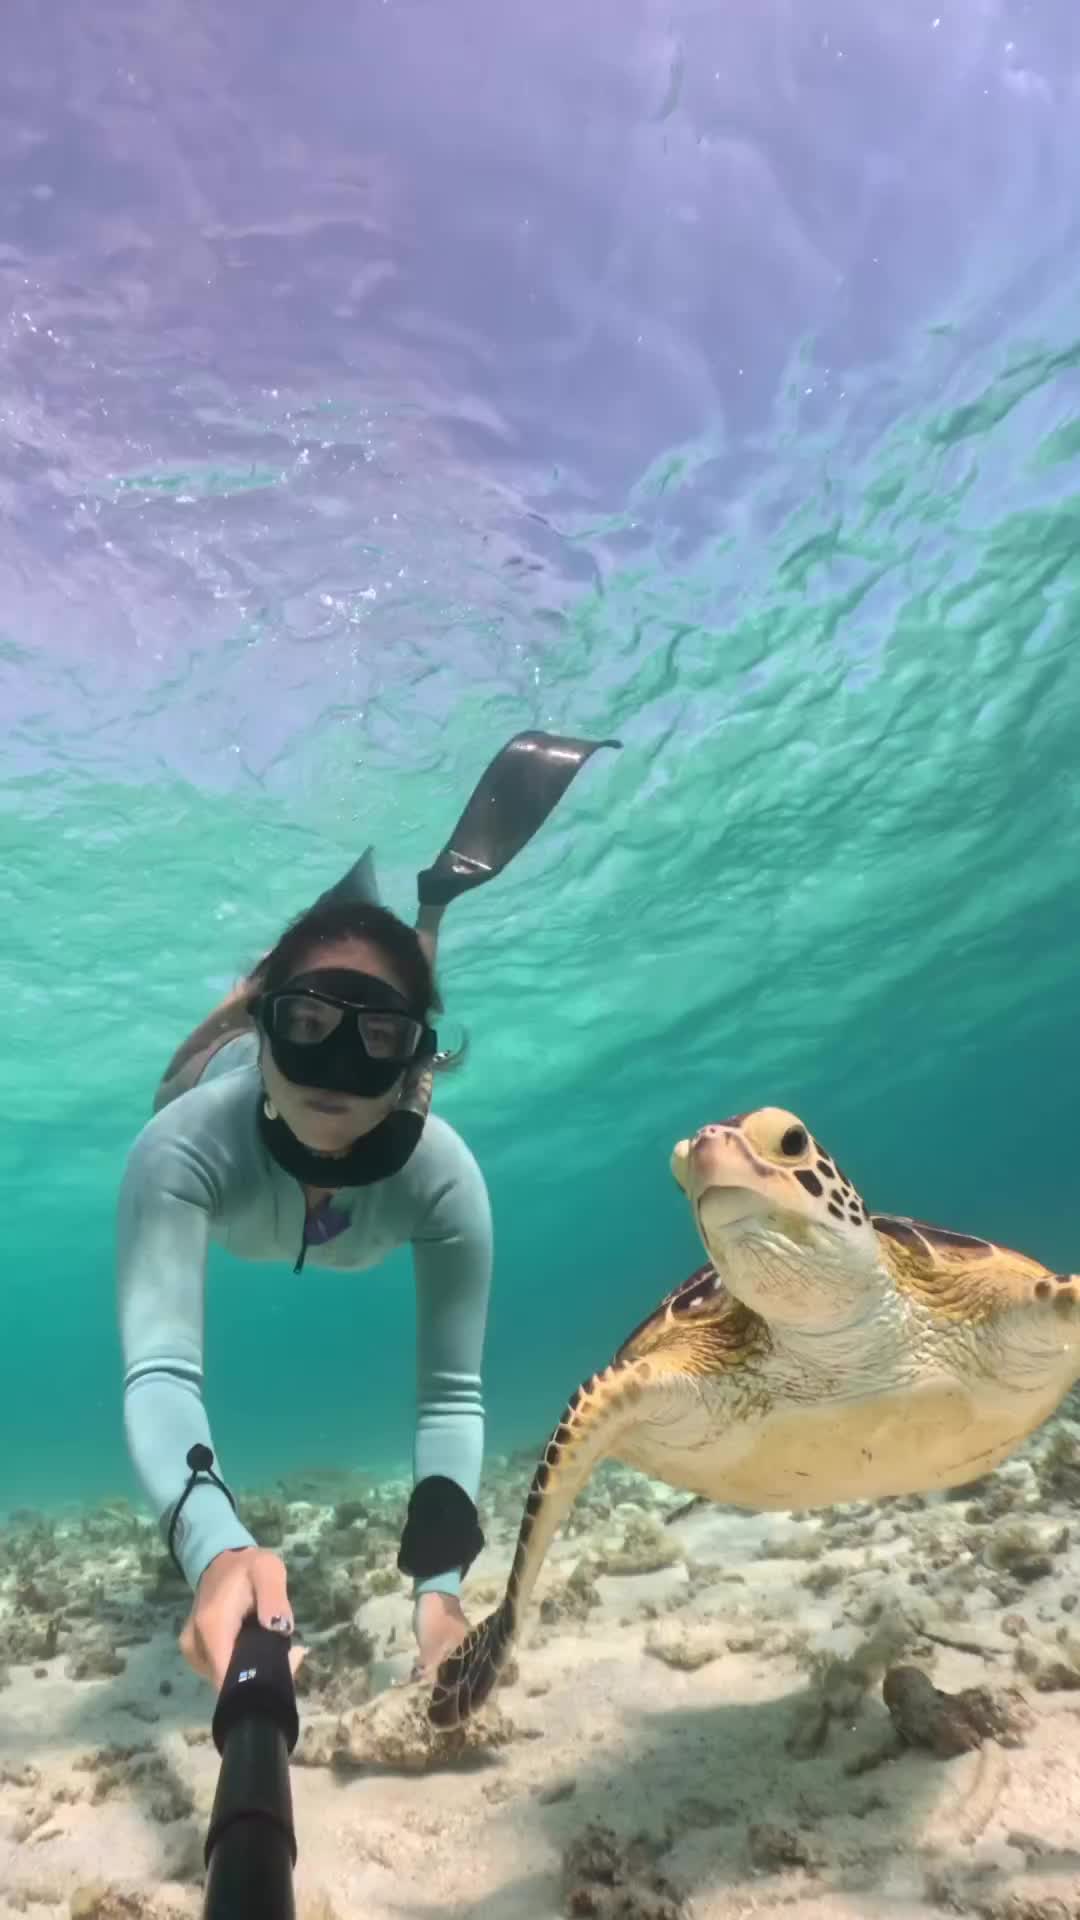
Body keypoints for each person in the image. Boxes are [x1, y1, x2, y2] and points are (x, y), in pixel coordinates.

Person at [114, 730, 619, 1692]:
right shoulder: (184, 1146)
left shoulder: (439, 1178)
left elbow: (451, 1395)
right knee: (170, 1090)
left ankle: (425, 918)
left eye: (377, 1040)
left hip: (376, 1095)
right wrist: (217, 1552)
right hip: (227, 1070)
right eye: (305, 1027)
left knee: (391, 1089)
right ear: (269, 1031)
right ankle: (261, 996)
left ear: (410, 1054)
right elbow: (161, 1372)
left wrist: (441, 1596)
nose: (338, 1074)